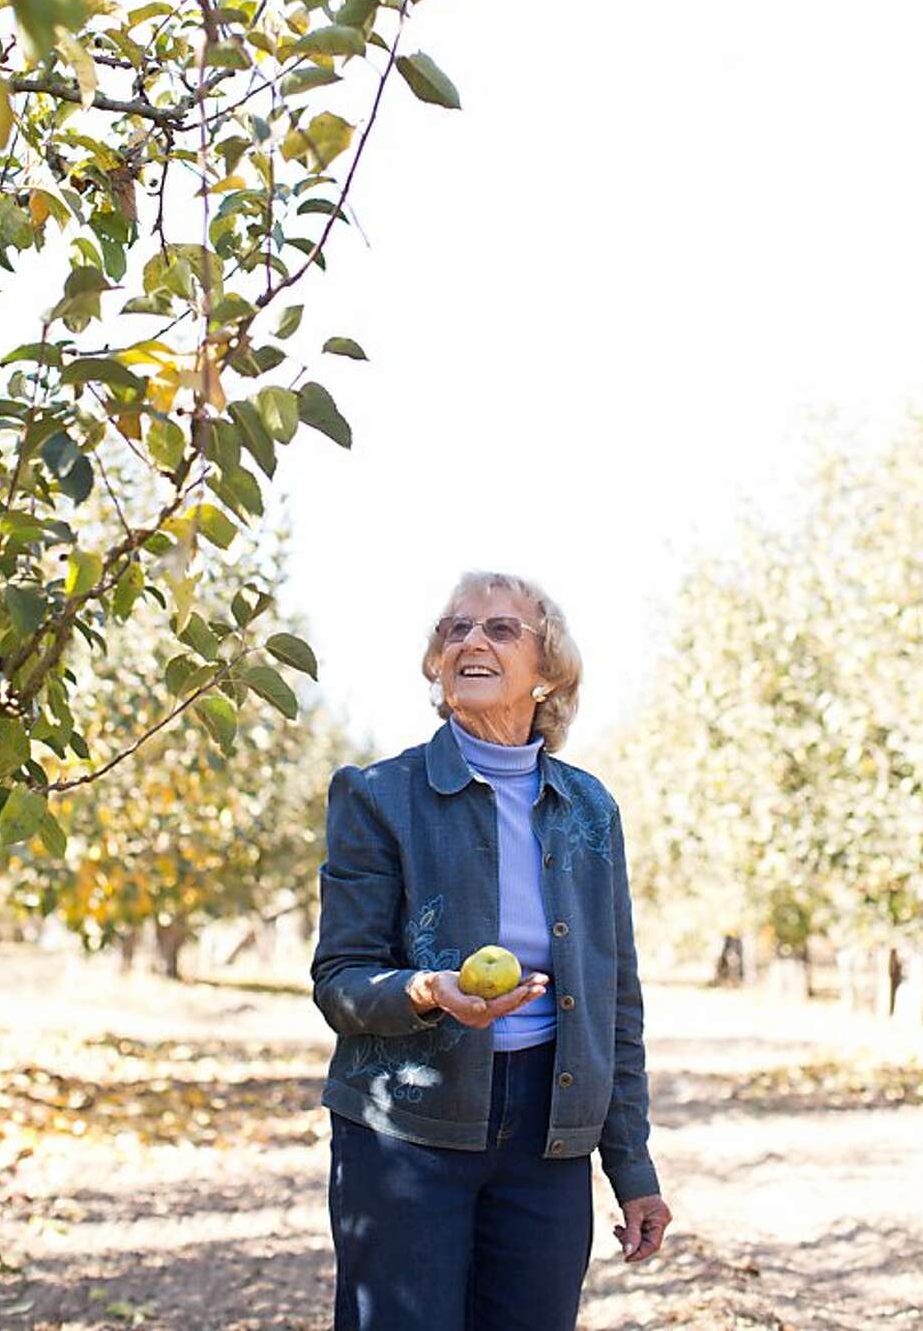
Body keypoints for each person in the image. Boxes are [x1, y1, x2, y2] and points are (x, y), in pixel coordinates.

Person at [311, 569, 672, 1331]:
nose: (471, 639)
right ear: (439, 664)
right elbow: (340, 980)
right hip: (405, 1127)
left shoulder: (589, 809)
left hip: (548, 1133)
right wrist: (428, 990)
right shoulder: (379, 794)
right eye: (455, 628)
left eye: (501, 628)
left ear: (546, 672)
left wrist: (630, 1167)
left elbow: (616, 1000)